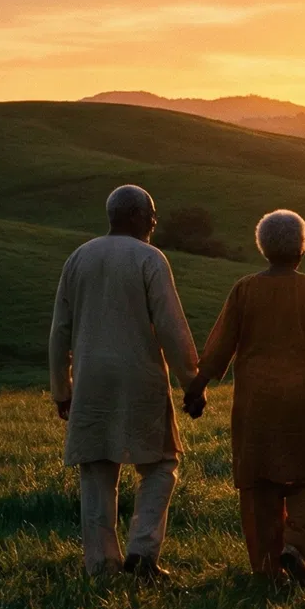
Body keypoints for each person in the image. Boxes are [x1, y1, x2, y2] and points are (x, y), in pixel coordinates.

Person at [181, 210, 305, 584]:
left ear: (263, 248)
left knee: (260, 483)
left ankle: (266, 567)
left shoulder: (244, 289)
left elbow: (218, 349)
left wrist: (197, 390)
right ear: (301, 250)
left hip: (256, 403)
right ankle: (294, 545)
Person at [47, 184, 199, 580]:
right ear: (134, 217)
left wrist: (62, 388)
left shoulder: (78, 257)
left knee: (97, 469)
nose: (154, 221)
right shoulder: (149, 258)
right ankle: (143, 553)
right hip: (140, 376)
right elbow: (170, 326)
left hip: (90, 379)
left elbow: (60, 329)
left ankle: (102, 566)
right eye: (151, 214)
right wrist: (191, 382)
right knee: (161, 463)